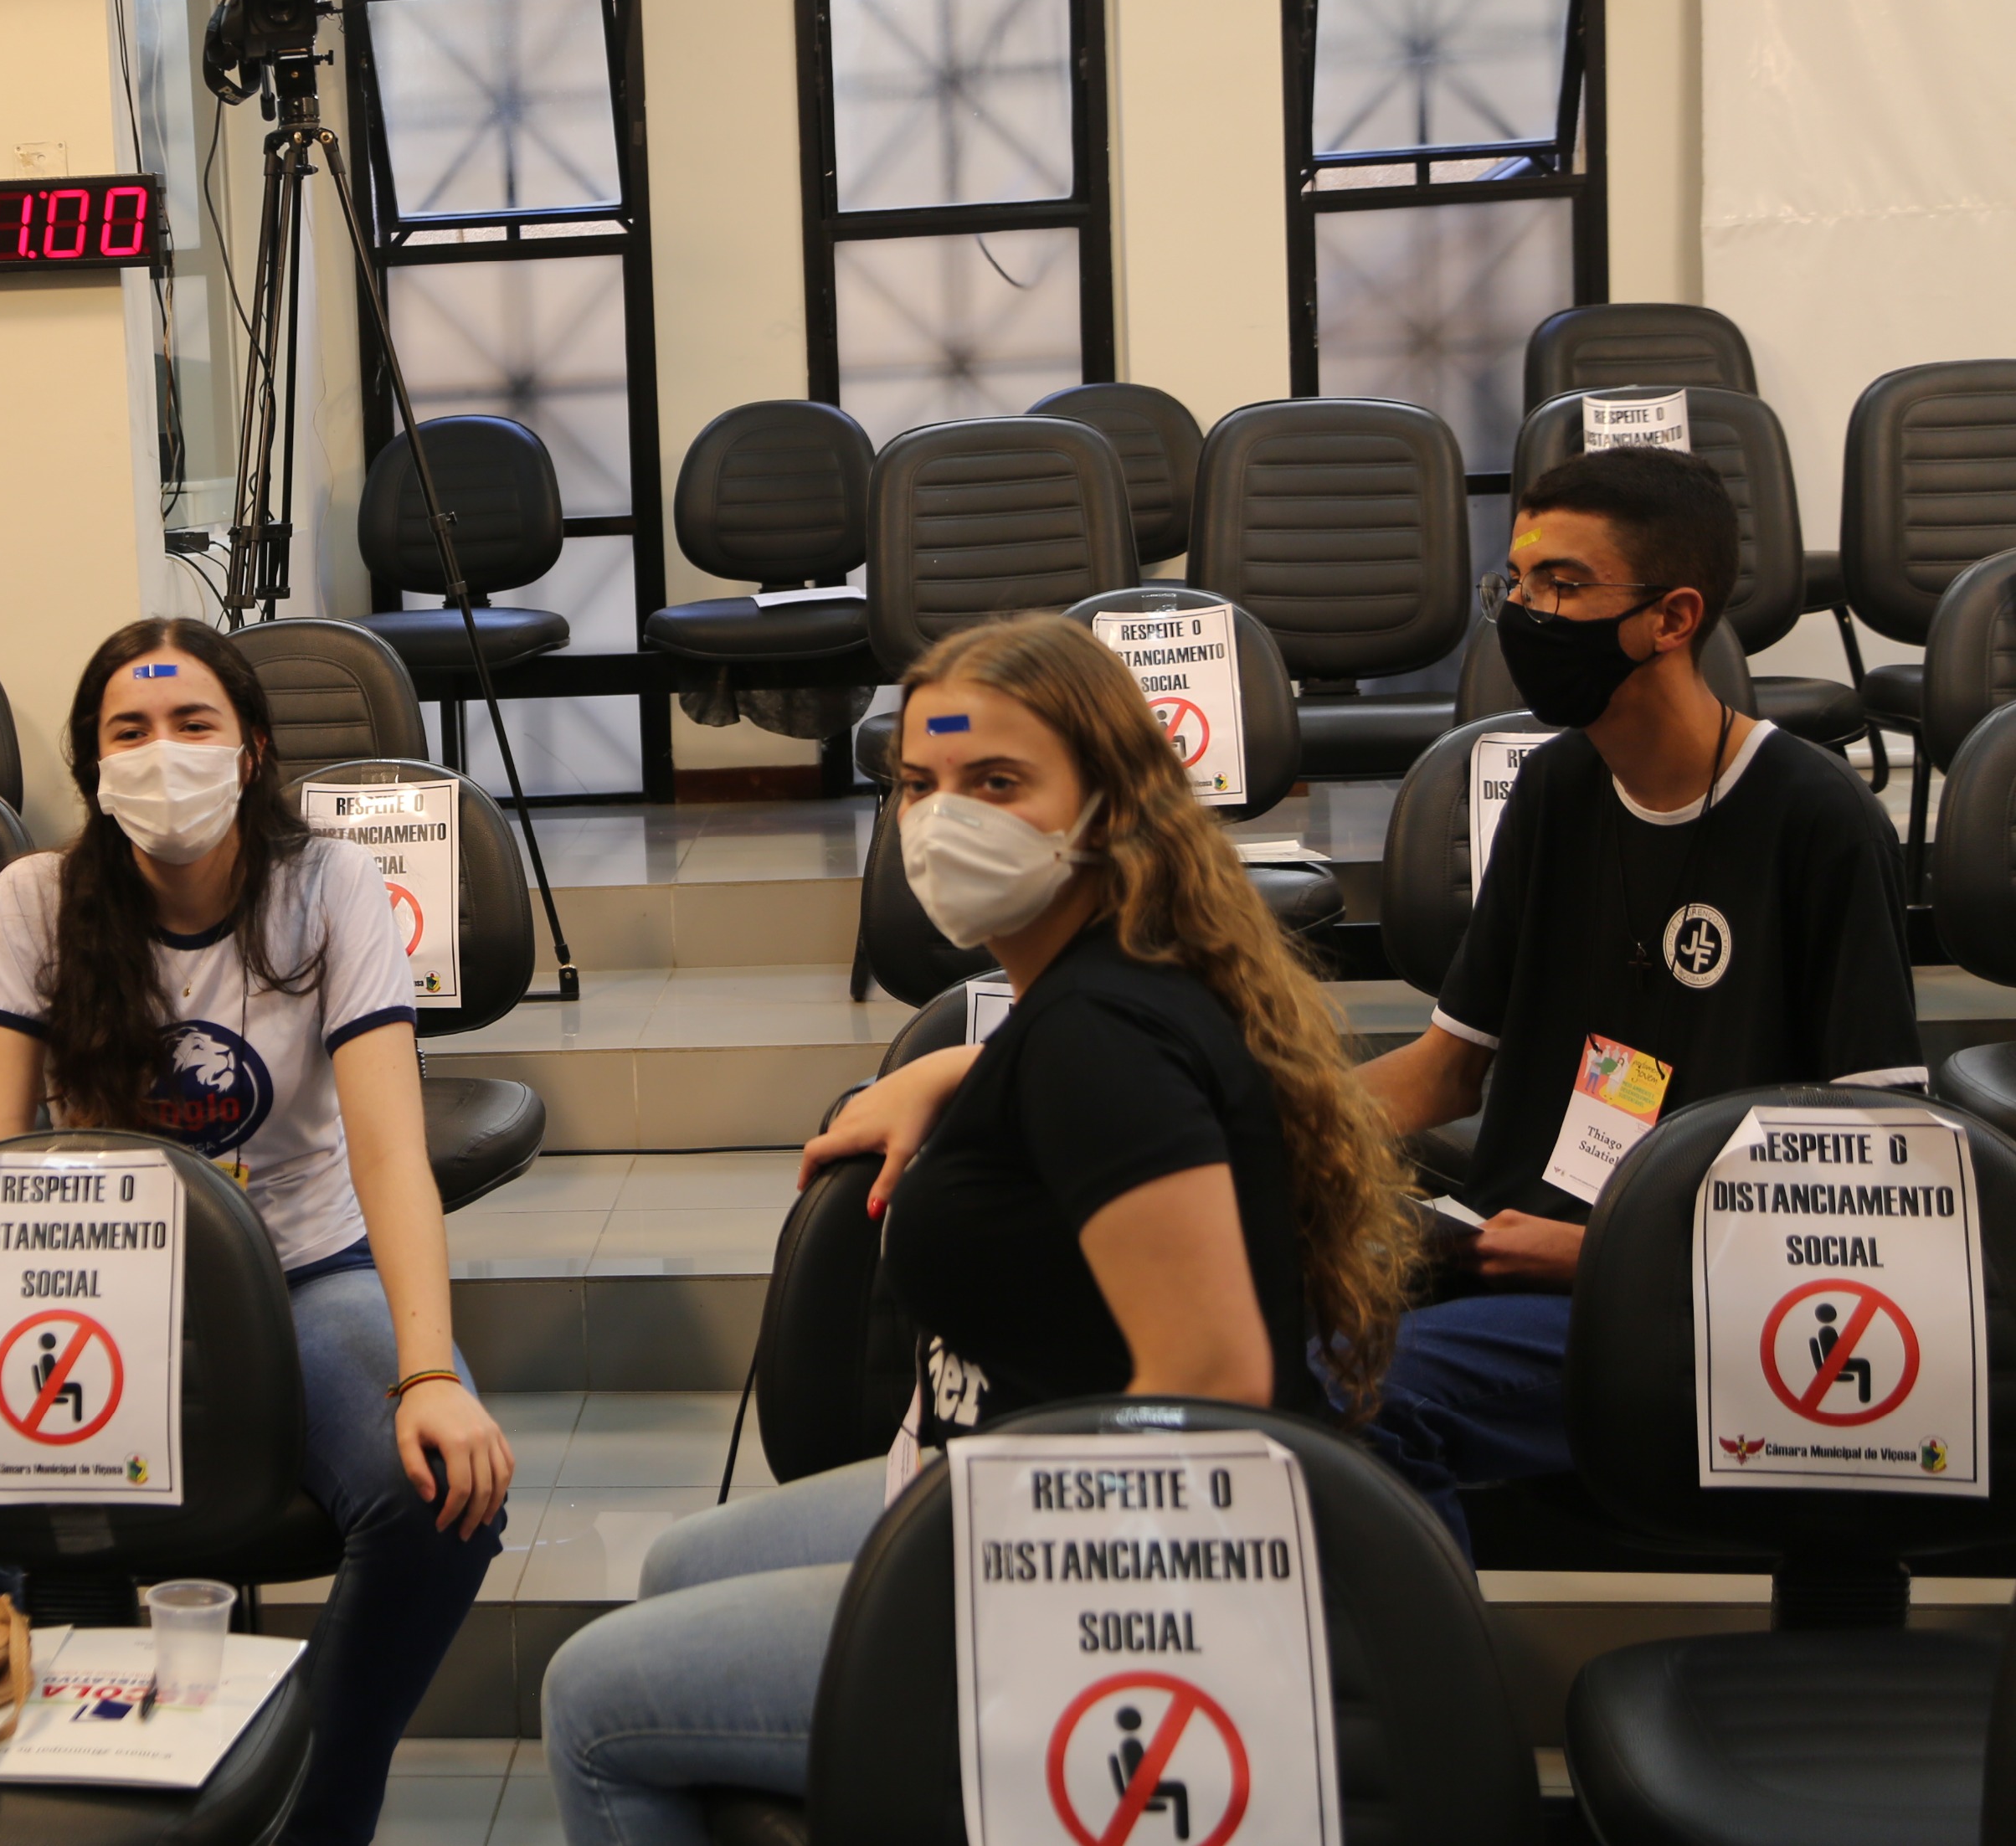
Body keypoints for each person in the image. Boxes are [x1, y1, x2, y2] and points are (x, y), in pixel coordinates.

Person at [538, 614, 1417, 1846]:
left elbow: (1210, 1388)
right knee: (682, 1566)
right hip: (991, 1469)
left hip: (1105, 1574)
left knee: (592, 1699)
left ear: (1107, 805)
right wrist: (947, 1074)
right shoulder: (1093, 985)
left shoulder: (1098, 1039)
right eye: (919, 784)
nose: (945, 820)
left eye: (997, 782)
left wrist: (1003, 1598)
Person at [0, 618, 513, 1846]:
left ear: (250, 747)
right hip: (95, 1293)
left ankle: (316, 1803)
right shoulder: (33, 899)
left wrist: (428, 1372)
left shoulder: (329, 884)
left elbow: (388, 1154)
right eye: (130, 730)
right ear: (93, 766)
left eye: (193, 722)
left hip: (304, 1272)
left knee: (442, 1497)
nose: (164, 752)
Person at [1352, 445, 1921, 1550]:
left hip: (1691, 1299)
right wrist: (1258, 1132)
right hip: (1510, 1252)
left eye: (1563, 585)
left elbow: (1874, 1183)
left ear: (1672, 617)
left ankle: (1437, 1665)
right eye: (1517, 582)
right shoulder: (1556, 785)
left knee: (1363, 1392)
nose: (1525, 614)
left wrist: (1599, 1252)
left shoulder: (1817, 820)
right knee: (1250, 1340)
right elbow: (1448, 1068)